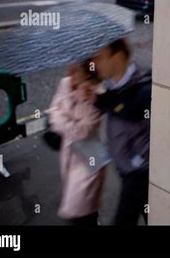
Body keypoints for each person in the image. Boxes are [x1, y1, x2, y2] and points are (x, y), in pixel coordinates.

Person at [85, 38, 151, 226]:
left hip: (138, 173)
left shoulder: (144, 88)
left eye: (99, 57)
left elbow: (128, 108)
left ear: (118, 56)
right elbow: (117, 103)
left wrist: (134, 163)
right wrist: (94, 98)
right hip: (124, 168)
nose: (94, 64)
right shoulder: (112, 87)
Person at [48, 61, 105, 226]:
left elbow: (83, 131)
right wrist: (65, 121)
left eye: (75, 72)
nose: (70, 76)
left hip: (88, 162)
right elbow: (53, 109)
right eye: (70, 71)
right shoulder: (65, 83)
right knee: (79, 210)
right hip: (69, 157)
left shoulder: (95, 94)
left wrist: (61, 120)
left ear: (87, 74)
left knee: (81, 210)